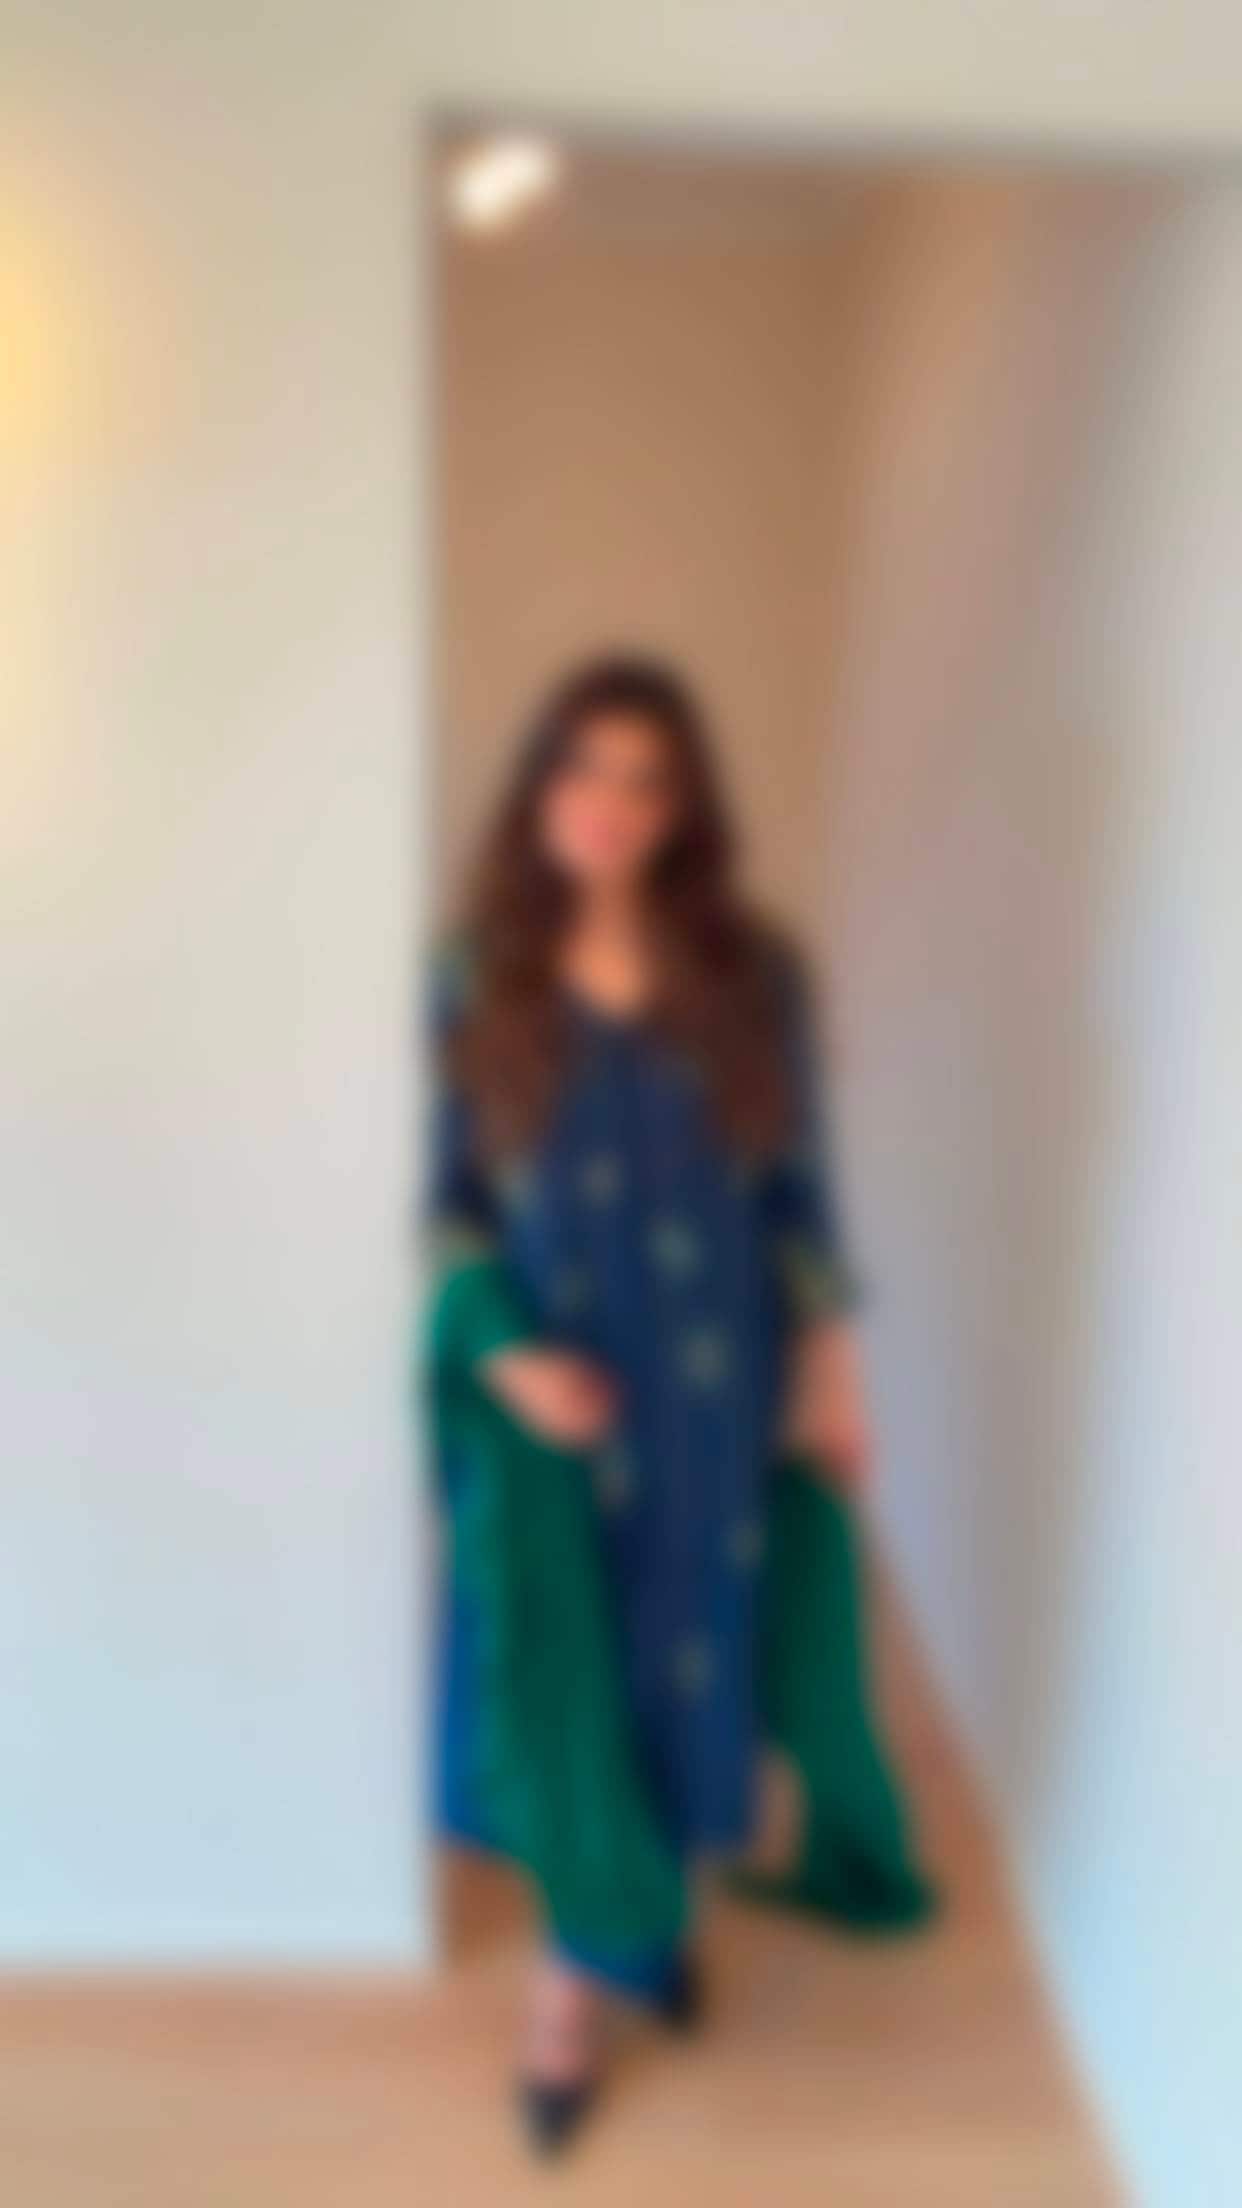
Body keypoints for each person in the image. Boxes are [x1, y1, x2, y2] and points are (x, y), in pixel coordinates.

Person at [426, 655, 928, 2155]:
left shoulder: (754, 973)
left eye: (647, 779)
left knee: (689, 1668)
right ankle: (572, 1996)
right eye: (582, 765)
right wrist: (507, 1359)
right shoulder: (477, 974)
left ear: (684, 806)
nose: (610, 803)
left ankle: (638, 1938)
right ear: (538, 784)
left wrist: (832, 1374)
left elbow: (799, 1194)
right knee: (568, 1683)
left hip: (714, 1388)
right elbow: (450, 1211)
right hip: (558, 1407)